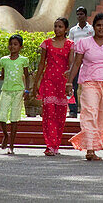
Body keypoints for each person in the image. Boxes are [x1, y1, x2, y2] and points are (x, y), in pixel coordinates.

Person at [68, 12, 103, 161]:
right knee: (89, 112)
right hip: (89, 82)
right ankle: (90, 149)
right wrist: (69, 81)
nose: (101, 28)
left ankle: (96, 145)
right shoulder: (84, 42)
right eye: (98, 25)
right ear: (93, 27)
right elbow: (77, 63)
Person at [0, 34, 31, 155]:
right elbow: (2, 77)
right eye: (11, 44)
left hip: (18, 91)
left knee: (14, 118)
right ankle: (5, 135)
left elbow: (27, 75)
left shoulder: (23, 60)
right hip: (6, 91)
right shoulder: (4, 60)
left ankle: (11, 146)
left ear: (21, 47)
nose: (12, 46)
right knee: (2, 116)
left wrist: (27, 90)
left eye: (15, 44)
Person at [32, 17, 74, 156]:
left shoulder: (70, 45)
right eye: (55, 26)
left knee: (60, 115)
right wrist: (36, 83)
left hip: (62, 83)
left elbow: (71, 65)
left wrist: (70, 83)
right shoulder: (47, 43)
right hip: (49, 81)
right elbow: (41, 64)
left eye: (60, 27)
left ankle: (56, 145)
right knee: (49, 113)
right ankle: (50, 145)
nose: (57, 29)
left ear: (66, 29)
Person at [69, 5, 94, 111]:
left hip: (88, 61)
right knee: (73, 85)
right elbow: (70, 46)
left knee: (87, 85)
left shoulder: (91, 29)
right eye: (78, 14)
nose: (80, 16)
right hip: (75, 61)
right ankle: (73, 109)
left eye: (82, 14)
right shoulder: (73, 30)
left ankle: (87, 108)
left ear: (86, 15)